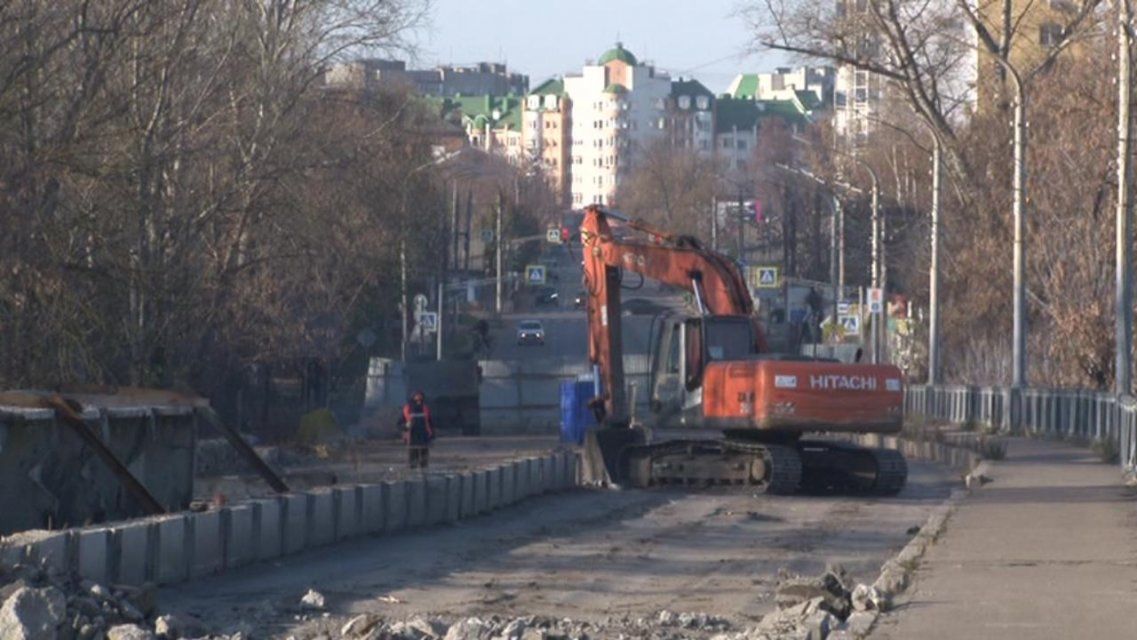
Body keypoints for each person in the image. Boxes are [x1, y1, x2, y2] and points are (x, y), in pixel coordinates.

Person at [400, 390, 435, 469]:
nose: (418, 398)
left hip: (424, 436)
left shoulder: (425, 408)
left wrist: (432, 435)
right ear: (413, 397)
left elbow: (430, 422)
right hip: (412, 437)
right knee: (413, 459)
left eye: (420, 396)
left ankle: (424, 475)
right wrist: (405, 427)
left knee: (424, 460)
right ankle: (413, 475)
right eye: (417, 396)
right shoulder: (407, 408)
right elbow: (400, 423)